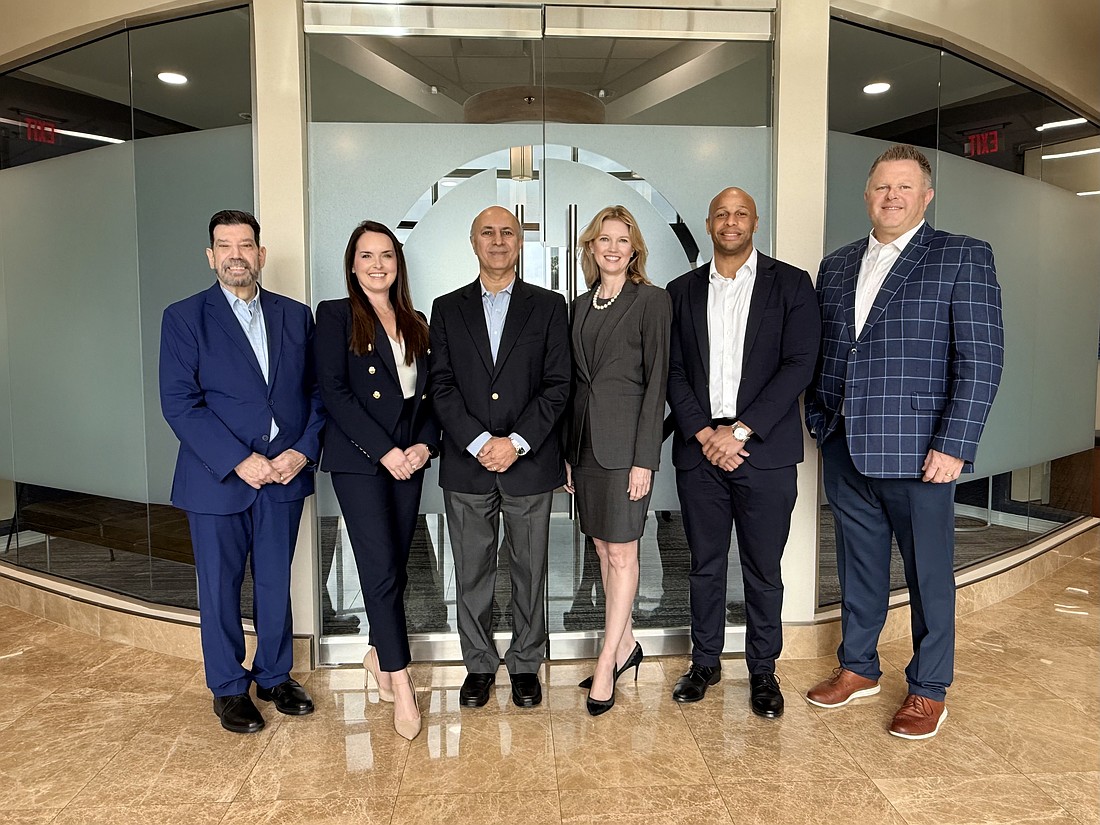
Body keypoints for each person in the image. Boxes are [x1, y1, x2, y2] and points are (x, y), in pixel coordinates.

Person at [804, 144, 1004, 739]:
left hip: (922, 451)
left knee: (929, 574)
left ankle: (928, 688)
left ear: (926, 196)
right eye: (882, 186)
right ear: (867, 195)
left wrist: (955, 442)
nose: (891, 196)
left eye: (905, 187)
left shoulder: (961, 255)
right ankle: (858, 666)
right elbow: (827, 351)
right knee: (858, 565)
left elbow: (982, 360)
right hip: (845, 443)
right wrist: (820, 418)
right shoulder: (836, 265)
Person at [160, 209, 323, 733]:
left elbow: (318, 394)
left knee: (275, 583)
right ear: (211, 256)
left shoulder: (295, 316)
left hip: (284, 474)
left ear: (261, 254)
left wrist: (302, 451)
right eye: (225, 246)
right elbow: (179, 403)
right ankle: (229, 687)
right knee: (219, 587)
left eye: (246, 244)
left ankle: (274, 675)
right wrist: (239, 460)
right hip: (217, 479)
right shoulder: (184, 317)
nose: (236, 255)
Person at [666, 188, 819, 717]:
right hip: (700, 453)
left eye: (741, 214)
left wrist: (742, 431)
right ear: (709, 223)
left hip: (765, 452)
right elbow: (673, 371)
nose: (731, 222)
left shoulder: (791, 284)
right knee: (704, 566)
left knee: (763, 569)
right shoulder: (681, 290)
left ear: (755, 222)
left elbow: (800, 364)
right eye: (721, 214)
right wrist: (705, 434)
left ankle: (763, 670)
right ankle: (704, 662)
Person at [429, 206, 570, 709]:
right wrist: (477, 441)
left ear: (519, 242)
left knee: (530, 569)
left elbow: (558, 385)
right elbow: (440, 385)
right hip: (467, 465)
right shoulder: (447, 308)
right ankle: (479, 664)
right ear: (473, 242)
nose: (497, 240)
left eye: (507, 232)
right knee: (471, 571)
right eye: (486, 232)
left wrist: (517, 442)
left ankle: (526, 663)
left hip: (528, 464)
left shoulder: (549, 306)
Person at [314, 220, 439, 740]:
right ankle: (401, 682)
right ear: (352, 265)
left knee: (395, 566)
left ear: (397, 263)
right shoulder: (335, 315)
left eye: (386, 254)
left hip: (408, 460)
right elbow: (334, 392)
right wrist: (384, 451)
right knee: (379, 567)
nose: (377, 264)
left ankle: (376, 652)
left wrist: (424, 446)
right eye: (366, 255)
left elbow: (430, 397)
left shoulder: (416, 320)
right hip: (361, 461)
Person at [564, 205, 670, 716]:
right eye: (603, 239)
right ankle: (625, 643)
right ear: (591, 247)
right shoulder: (579, 306)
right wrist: (567, 452)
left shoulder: (652, 301)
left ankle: (607, 660)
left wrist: (644, 458)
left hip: (627, 450)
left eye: (621, 240)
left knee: (624, 552)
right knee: (604, 549)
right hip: (586, 447)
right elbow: (573, 384)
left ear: (634, 250)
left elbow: (657, 384)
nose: (612, 247)